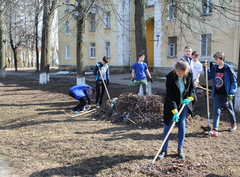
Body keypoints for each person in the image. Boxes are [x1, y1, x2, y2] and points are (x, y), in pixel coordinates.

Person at [158, 60, 195, 160]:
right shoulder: (170, 77)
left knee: (182, 124)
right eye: (178, 73)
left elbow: (192, 88)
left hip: (184, 104)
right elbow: (170, 96)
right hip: (172, 104)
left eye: (182, 74)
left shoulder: (189, 74)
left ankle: (180, 149)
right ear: (175, 70)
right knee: (168, 126)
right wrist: (174, 111)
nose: (180, 75)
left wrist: (190, 98)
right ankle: (164, 150)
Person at [204, 52, 237, 137]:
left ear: (222, 59)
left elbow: (234, 81)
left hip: (226, 94)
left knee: (229, 110)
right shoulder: (214, 68)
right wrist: (206, 69)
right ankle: (215, 129)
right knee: (216, 111)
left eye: (216, 59)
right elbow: (209, 77)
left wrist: (231, 93)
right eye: (214, 59)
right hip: (217, 93)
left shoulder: (228, 68)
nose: (215, 61)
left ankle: (233, 124)